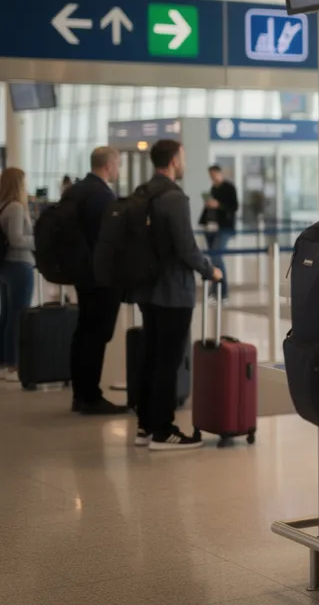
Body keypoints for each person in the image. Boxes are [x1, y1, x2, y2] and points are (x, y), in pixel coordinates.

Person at [131, 140, 222, 450]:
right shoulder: (174, 197)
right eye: (182, 157)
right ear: (172, 161)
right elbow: (186, 248)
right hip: (173, 291)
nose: (184, 163)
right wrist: (210, 270)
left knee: (151, 357)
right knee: (167, 362)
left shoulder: (143, 192)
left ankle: (145, 426)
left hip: (147, 288)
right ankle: (163, 430)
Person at [65, 147, 128, 414]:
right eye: (118, 165)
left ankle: (81, 393)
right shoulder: (101, 195)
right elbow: (108, 238)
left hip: (81, 272)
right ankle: (90, 396)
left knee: (84, 331)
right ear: (109, 166)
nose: (118, 170)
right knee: (96, 335)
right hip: (100, 276)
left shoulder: (76, 191)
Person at [0, 168, 35, 383]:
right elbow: (16, 239)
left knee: (7, 314)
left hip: (6, 267)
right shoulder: (15, 208)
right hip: (19, 265)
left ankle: (5, 362)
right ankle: (13, 364)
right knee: (18, 316)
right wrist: (37, 240)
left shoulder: (3, 206)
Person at [201, 165, 239, 300]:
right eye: (210, 176)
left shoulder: (229, 188)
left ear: (219, 173)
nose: (212, 178)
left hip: (224, 228)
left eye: (213, 175)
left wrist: (219, 205)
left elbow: (234, 207)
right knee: (213, 259)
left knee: (217, 256)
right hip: (211, 227)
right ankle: (215, 290)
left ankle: (223, 291)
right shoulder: (213, 188)